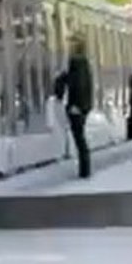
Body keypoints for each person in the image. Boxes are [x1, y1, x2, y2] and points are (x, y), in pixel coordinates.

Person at [54, 33, 93, 179]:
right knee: (79, 136)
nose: (68, 45)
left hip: (77, 105)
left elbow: (78, 84)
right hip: (82, 105)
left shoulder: (76, 61)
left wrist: (76, 105)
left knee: (79, 137)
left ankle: (85, 170)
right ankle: (85, 169)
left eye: (71, 42)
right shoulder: (83, 61)